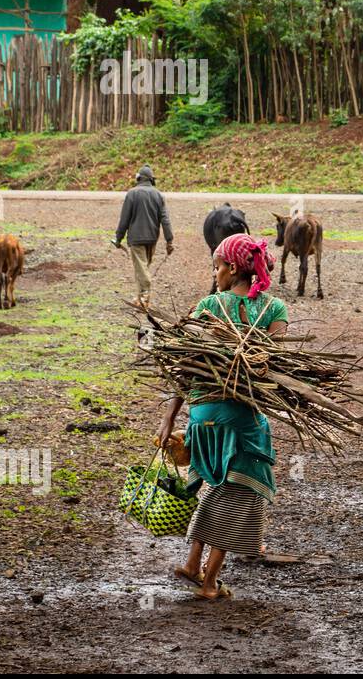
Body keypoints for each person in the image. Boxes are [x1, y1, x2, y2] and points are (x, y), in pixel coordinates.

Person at [157, 233, 285, 600]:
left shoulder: (207, 305)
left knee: (215, 490)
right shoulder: (273, 310)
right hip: (239, 421)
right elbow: (276, 367)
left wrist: (170, 417)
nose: (214, 274)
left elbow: (185, 367)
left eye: (216, 266)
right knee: (241, 495)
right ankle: (210, 584)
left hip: (200, 417)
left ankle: (192, 565)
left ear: (232, 268)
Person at [114, 165, 174, 309]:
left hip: (136, 238)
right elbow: (165, 219)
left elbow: (124, 219)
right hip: (152, 238)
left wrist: (118, 238)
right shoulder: (158, 195)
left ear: (139, 178)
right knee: (142, 268)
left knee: (141, 269)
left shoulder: (132, 194)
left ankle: (145, 297)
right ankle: (140, 298)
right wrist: (169, 240)